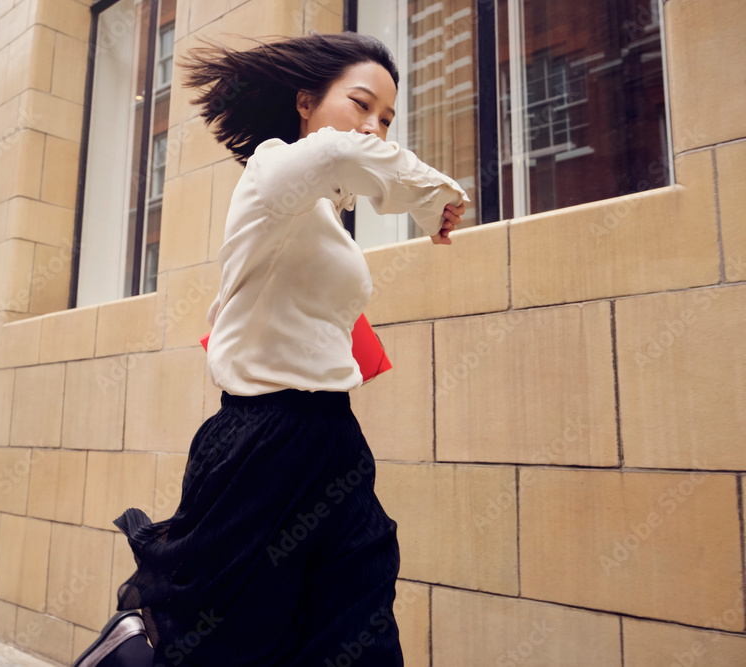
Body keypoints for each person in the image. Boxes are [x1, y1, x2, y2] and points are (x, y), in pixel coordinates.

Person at [73, 31, 467, 667]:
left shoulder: (323, 218)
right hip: (263, 444)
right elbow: (340, 152)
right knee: (237, 641)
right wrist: (433, 198)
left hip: (332, 437)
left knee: (360, 620)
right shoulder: (272, 173)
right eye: (361, 105)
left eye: (387, 118)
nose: (373, 128)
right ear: (306, 101)